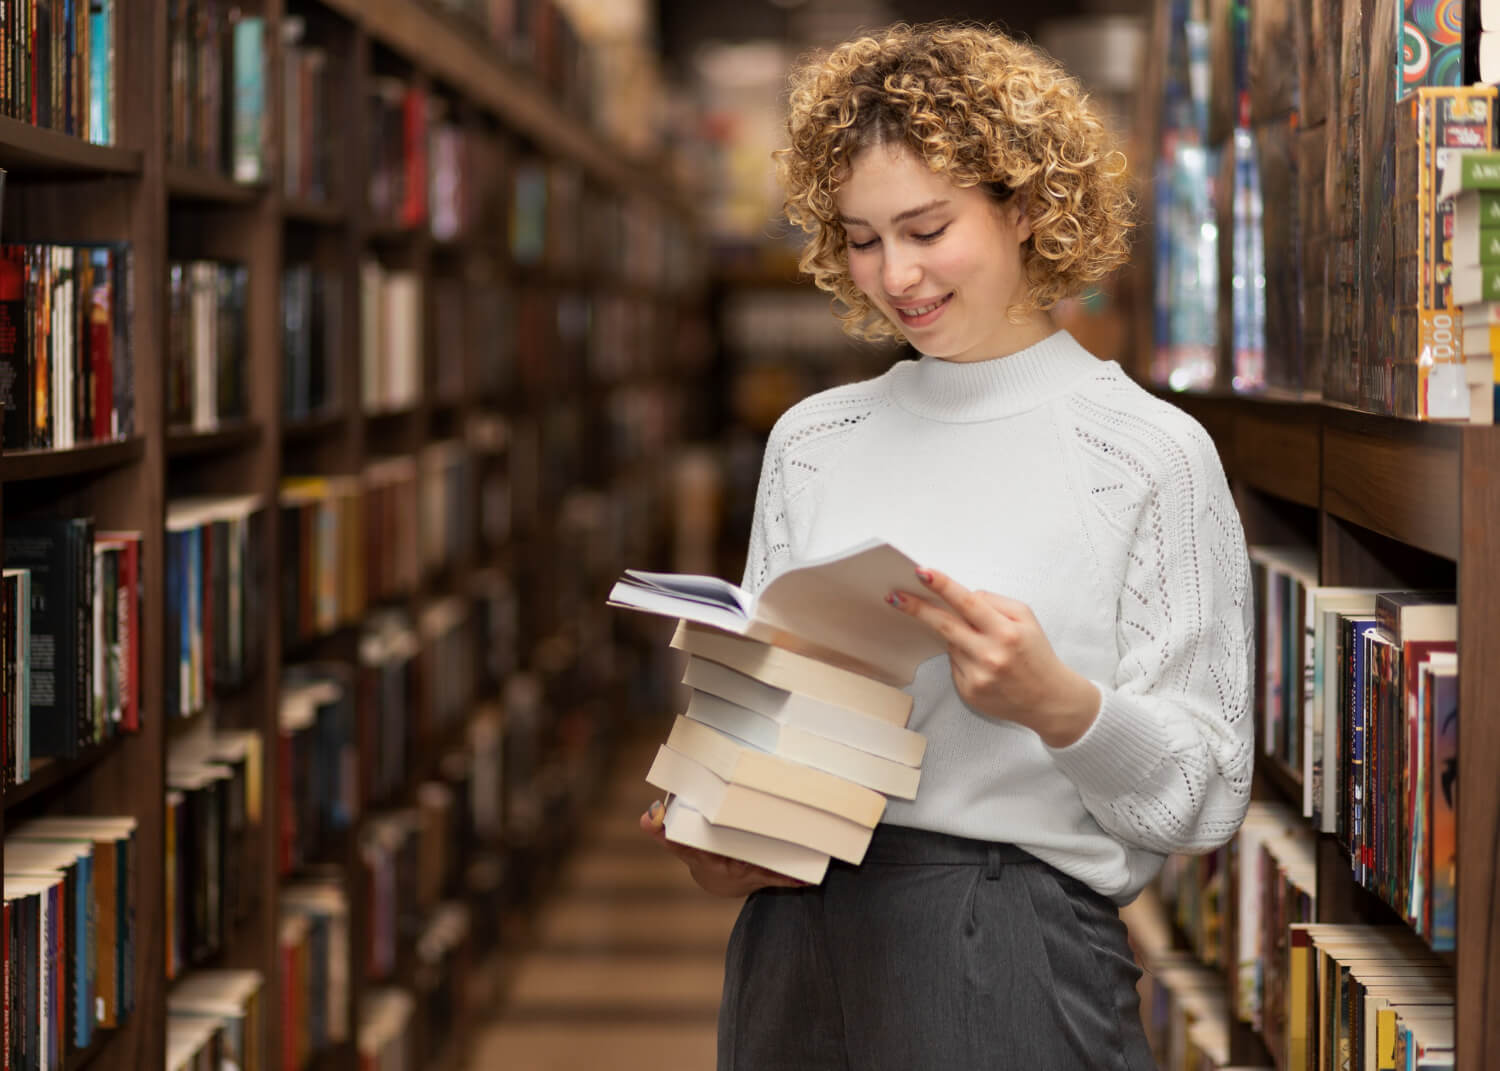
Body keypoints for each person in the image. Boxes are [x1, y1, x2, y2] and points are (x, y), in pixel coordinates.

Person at [640, 21, 1254, 1070]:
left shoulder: (1149, 454)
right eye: (864, 237)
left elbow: (1205, 792)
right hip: (796, 947)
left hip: (1015, 942)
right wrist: (722, 826)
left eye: (928, 228)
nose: (897, 276)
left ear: (1022, 206)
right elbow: (770, 730)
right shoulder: (814, 440)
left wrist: (1056, 703)